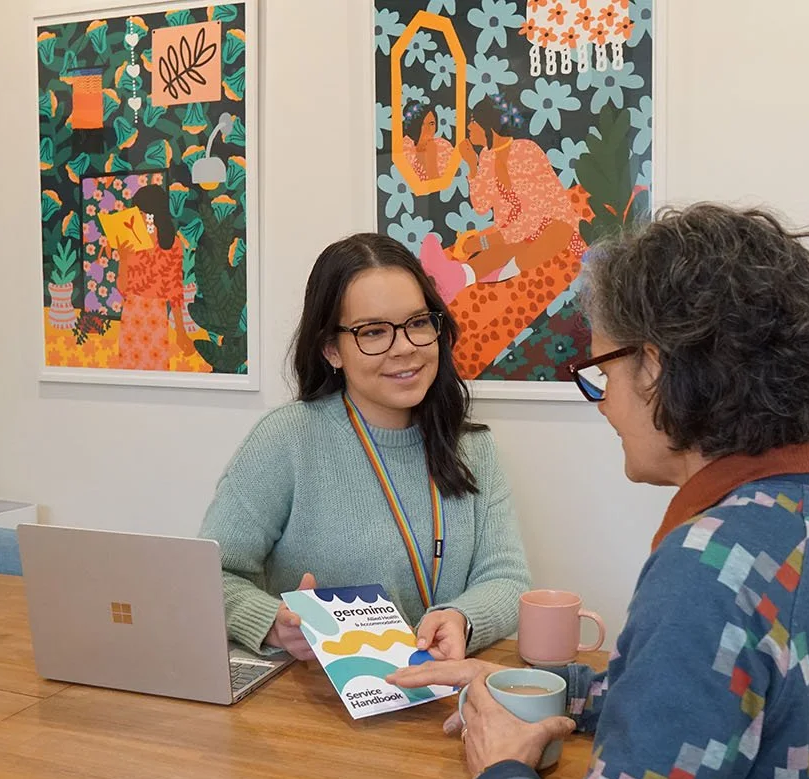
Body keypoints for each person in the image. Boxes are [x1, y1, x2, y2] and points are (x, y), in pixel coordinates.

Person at [392, 204, 809, 779]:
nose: (603, 408)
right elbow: (703, 697)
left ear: (653, 367)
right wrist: (539, 687)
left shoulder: (711, 567)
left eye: (602, 372)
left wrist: (499, 774)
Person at [199, 232, 532, 661]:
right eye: (374, 332)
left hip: (437, 696)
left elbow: (506, 577)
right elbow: (212, 574)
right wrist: (272, 623)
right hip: (310, 706)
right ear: (331, 350)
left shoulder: (473, 447)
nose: (405, 348)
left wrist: (460, 618)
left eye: (417, 323)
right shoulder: (287, 439)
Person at [418, 93, 586, 301]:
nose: (469, 129)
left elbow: (532, 218)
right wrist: (472, 166)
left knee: (513, 244)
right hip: (517, 231)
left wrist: (487, 242)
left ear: (487, 125)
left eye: (473, 122)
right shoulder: (488, 157)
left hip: (553, 229)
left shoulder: (525, 151)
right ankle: (453, 278)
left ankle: (470, 274)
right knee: (499, 246)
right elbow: (481, 206)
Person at [113, 183, 195, 369]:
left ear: (152, 214)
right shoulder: (131, 242)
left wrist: (181, 332)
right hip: (132, 314)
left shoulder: (172, 244)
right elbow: (124, 289)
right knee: (128, 368)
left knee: (156, 367)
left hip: (156, 315)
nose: (137, 218)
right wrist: (123, 259)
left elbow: (175, 291)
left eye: (141, 212)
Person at [399, 102, 454, 184]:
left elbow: (443, 186)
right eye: (423, 124)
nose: (428, 129)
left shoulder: (444, 146)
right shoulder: (404, 147)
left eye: (432, 124)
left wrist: (432, 158)